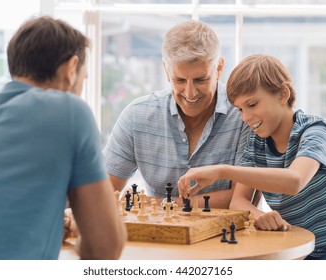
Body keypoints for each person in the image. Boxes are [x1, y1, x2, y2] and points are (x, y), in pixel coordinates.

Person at [0, 16, 127, 260]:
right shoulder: (69, 110)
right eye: (84, 78)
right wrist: (80, 230)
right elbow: (105, 249)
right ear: (71, 69)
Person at [177, 54, 326, 259]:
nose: (245, 117)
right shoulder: (256, 143)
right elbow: (238, 201)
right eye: (240, 109)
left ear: (283, 94)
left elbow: (295, 181)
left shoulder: (315, 131)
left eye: (252, 105)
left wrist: (221, 170)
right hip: (301, 251)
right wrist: (258, 215)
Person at [103, 20, 250, 208]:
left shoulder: (244, 115)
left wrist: (156, 204)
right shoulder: (136, 117)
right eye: (179, 80)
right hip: (159, 237)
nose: (190, 93)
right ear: (166, 70)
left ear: (219, 68)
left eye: (201, 79)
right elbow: (103, 192)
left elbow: (244, 199)